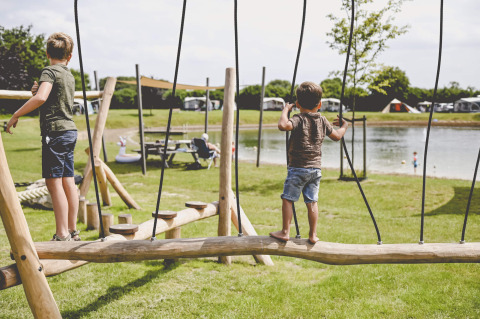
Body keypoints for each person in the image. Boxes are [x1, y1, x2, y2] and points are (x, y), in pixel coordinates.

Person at [6, 32, 79, 242]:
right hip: (69, 131)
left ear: (47, 53)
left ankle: (61, 233)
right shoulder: (68, 74)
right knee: (67, 181)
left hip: (55, 133)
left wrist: (15, 115)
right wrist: (40, 90)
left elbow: (41, 98)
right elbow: (52, 97)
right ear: (70, 56)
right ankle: (72, 231)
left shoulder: (49, 70)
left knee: (53, 183)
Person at [269, 81, 348, 244]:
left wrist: (285, 110)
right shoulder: (323, 120)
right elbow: (337, 136)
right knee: (312, 201)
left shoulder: (298, 119)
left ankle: (285, 231)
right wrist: (345, 125)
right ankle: (313, 234)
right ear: (319, 104)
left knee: (288, 198)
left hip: (298, 168)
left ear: (297, 104)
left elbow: (283, 125)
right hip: (315, 169)